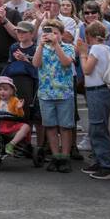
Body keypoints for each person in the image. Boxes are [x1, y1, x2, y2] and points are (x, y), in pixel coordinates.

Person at [75, 22, 110, 179]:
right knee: (97, 127)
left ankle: (107, 166)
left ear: (89, 36)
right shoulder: (106, 48)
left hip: (97, 91)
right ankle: (100, 161)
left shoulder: (96, 48)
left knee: (98, 128)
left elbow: (87, 69)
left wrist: (82, 53)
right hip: (102, 91)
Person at [33, 19, 77, 172]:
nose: (51, 36)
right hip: (46, 94)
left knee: (65, 127)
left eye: (55, 33)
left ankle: (65, 157)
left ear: (61, 34)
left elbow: (66, 62)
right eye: (49, 33)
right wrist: (40, 45)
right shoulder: (42, 48)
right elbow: (36, 64)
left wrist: (56, 44)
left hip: (64, 93)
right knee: (50, 126)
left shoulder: (69, 47)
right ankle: (55, 156)